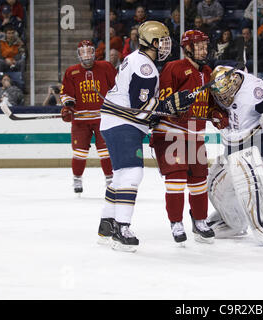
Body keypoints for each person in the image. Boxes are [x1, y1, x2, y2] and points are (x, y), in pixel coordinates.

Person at [97, 21, 196, 252]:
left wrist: (159, 109)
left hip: (115, 122)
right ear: (150, 42)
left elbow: (142, 107)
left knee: (122, 174)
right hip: (123, 123)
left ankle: (107, 224)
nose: (164, 46)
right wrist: (169, 105)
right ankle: (122, 228)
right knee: (132, 173)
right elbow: (140, 108)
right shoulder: (146, 68)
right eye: (161, 41)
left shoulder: (137, 59)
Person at [150, 30, 226, 244]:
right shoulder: (173, 68)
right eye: (199, 45)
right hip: (171, 131)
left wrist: (217, 115)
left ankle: (200, 221)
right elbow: (164, 102)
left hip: (195, 133)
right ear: (188, 48)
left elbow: (210, 105)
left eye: (205, 45)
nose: (204, 49)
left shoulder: (208, 71)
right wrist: (174, 104)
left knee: (199, 181)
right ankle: (176, 222)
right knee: (176, 180)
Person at [206, 65, 263, 246]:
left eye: (226, 93)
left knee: (249, 183)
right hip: (232, 144)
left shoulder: (255, 90)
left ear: (234, 83)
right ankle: (232, 220)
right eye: (219, 95)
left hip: (260, 144)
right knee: (216, 185)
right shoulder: (216, 87)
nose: (224, 98)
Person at [59, 40, 117, 195]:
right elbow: (65, 93)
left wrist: (116, 105)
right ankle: (77, 178)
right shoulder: (71, 72)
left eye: (89, 51)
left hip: (103, 118)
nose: (87, 55)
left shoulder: (106, 67)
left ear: (94, 52)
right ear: (79, 55)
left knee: (105, 151)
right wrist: (68, 106)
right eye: (83, 52)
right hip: (80, 120)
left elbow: (117, 88)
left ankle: (110, 179)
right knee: (79, 153)